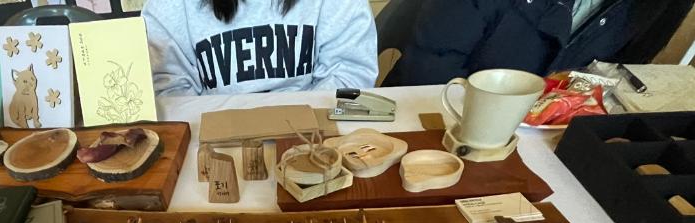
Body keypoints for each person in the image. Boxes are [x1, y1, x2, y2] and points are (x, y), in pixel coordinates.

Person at [387, 0, 694, 87]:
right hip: (433, 113)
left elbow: (614, 78)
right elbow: (428, 69)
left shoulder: (659, 7)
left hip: (537, 140)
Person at [142, 0, 378, 97]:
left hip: (311, 135)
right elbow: (168, 89)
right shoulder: (168, 6)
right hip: (210, 139)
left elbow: (350, 74)